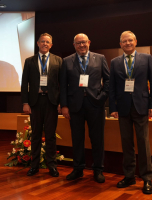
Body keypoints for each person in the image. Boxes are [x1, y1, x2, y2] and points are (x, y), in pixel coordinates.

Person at [109, 31, 152, 194]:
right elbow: (112, 88)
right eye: (124, 41)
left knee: (143, 144)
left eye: (130, 40)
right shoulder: (115, 62)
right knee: (126, 143)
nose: (127, 43)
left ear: (136, 41)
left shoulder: (147, 58)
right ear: (120, 44)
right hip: (122, 108)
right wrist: (113, 108)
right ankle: (129, 176)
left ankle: (147, 179)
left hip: (142, 106)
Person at [60, 33, 110, 183]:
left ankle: (98, 170)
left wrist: (102, 98)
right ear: (74, 45)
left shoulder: (100, 58)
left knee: (97, 139)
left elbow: (108, 80)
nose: (81, 45)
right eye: (78, 43)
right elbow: (63, 86)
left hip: (95, 104)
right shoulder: (67, 61)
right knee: (77, 138)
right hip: (75, 106)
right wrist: (64, 106)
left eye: (84, 42)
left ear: (89, 42)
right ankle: (78, 169)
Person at [21, 33, 62, 177]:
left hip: (52, 102)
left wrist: (61, 103)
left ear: (51, 45)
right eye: (42, 41)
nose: (45, 44)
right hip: (35, 102)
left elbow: (62, 84)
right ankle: (34, 166)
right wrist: (25, 102)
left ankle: (52, 166)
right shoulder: (29, 61)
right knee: (36, 135)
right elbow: (24, 83)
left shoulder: (58, 60)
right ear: (38, 43)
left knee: (51, 136)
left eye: (48, 42)